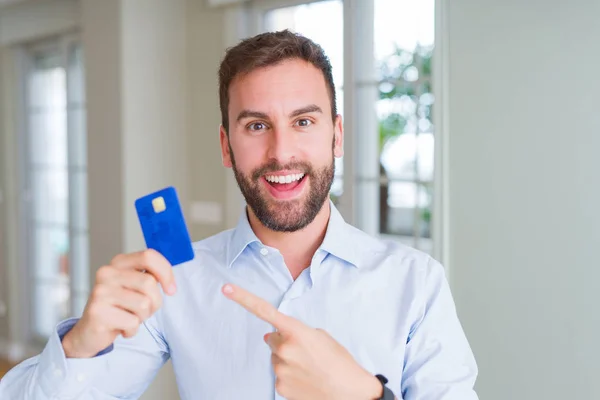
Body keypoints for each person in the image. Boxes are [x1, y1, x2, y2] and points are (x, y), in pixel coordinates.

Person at [0, 30, 478, 400]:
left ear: (337, 136)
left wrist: (365, 395)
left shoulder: (416, 284)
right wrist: (79, 345)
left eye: (304, 122)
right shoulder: (174, 281)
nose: (281, 151)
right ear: (227, 146)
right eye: (256, 125)